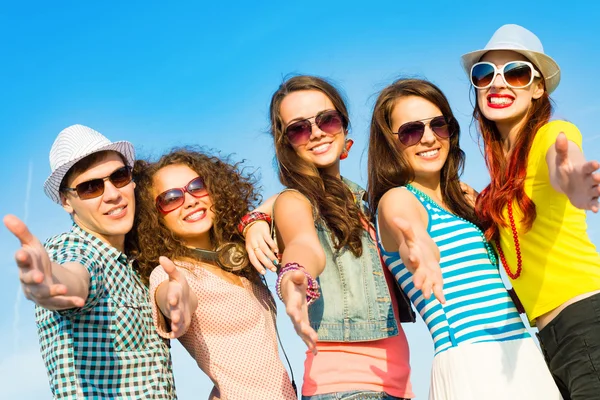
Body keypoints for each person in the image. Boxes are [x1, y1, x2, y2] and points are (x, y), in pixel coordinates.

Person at [367, 78, 561, 399]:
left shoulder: (466, 199)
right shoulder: (397, 198)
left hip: (520, 351)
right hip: (472, 360)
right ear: (389, 142)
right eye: (411, 131)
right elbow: (405, 223)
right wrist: (418, 243)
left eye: (438, 125)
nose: (429, 138)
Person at [263, 74, 428, 400]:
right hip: (345, 389)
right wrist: (294, 273)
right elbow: (303, 243)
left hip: (394, 388)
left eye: (327, 120)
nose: (316, 133)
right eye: (298, 128)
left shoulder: (366, 202)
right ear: (286, 144)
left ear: (344, 127)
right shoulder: (294, 200)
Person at [461, 24, 600, 399]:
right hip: (550, 336)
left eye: (516, 73)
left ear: (538, 88)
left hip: (586, 318)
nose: (498, 83)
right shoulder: (501, 179)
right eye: (485, 74)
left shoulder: (549, 136)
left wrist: (573, 180)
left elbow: (563, 160)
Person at [3, 124, 176, 399]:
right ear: (66, 201)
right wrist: (49, 284)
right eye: (90, 187)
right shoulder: (74, 248)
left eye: (119, 176)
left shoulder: (133, 265)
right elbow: (75, 275)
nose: (112, 194)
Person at [127, 148, 297, 400]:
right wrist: (175, 301)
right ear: (154, 217)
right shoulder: (170, 272)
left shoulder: (233, 259)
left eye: (197, 186)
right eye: (171, 198)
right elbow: (172, 294)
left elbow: (292, 197)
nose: (190, 200)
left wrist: (254, 221)